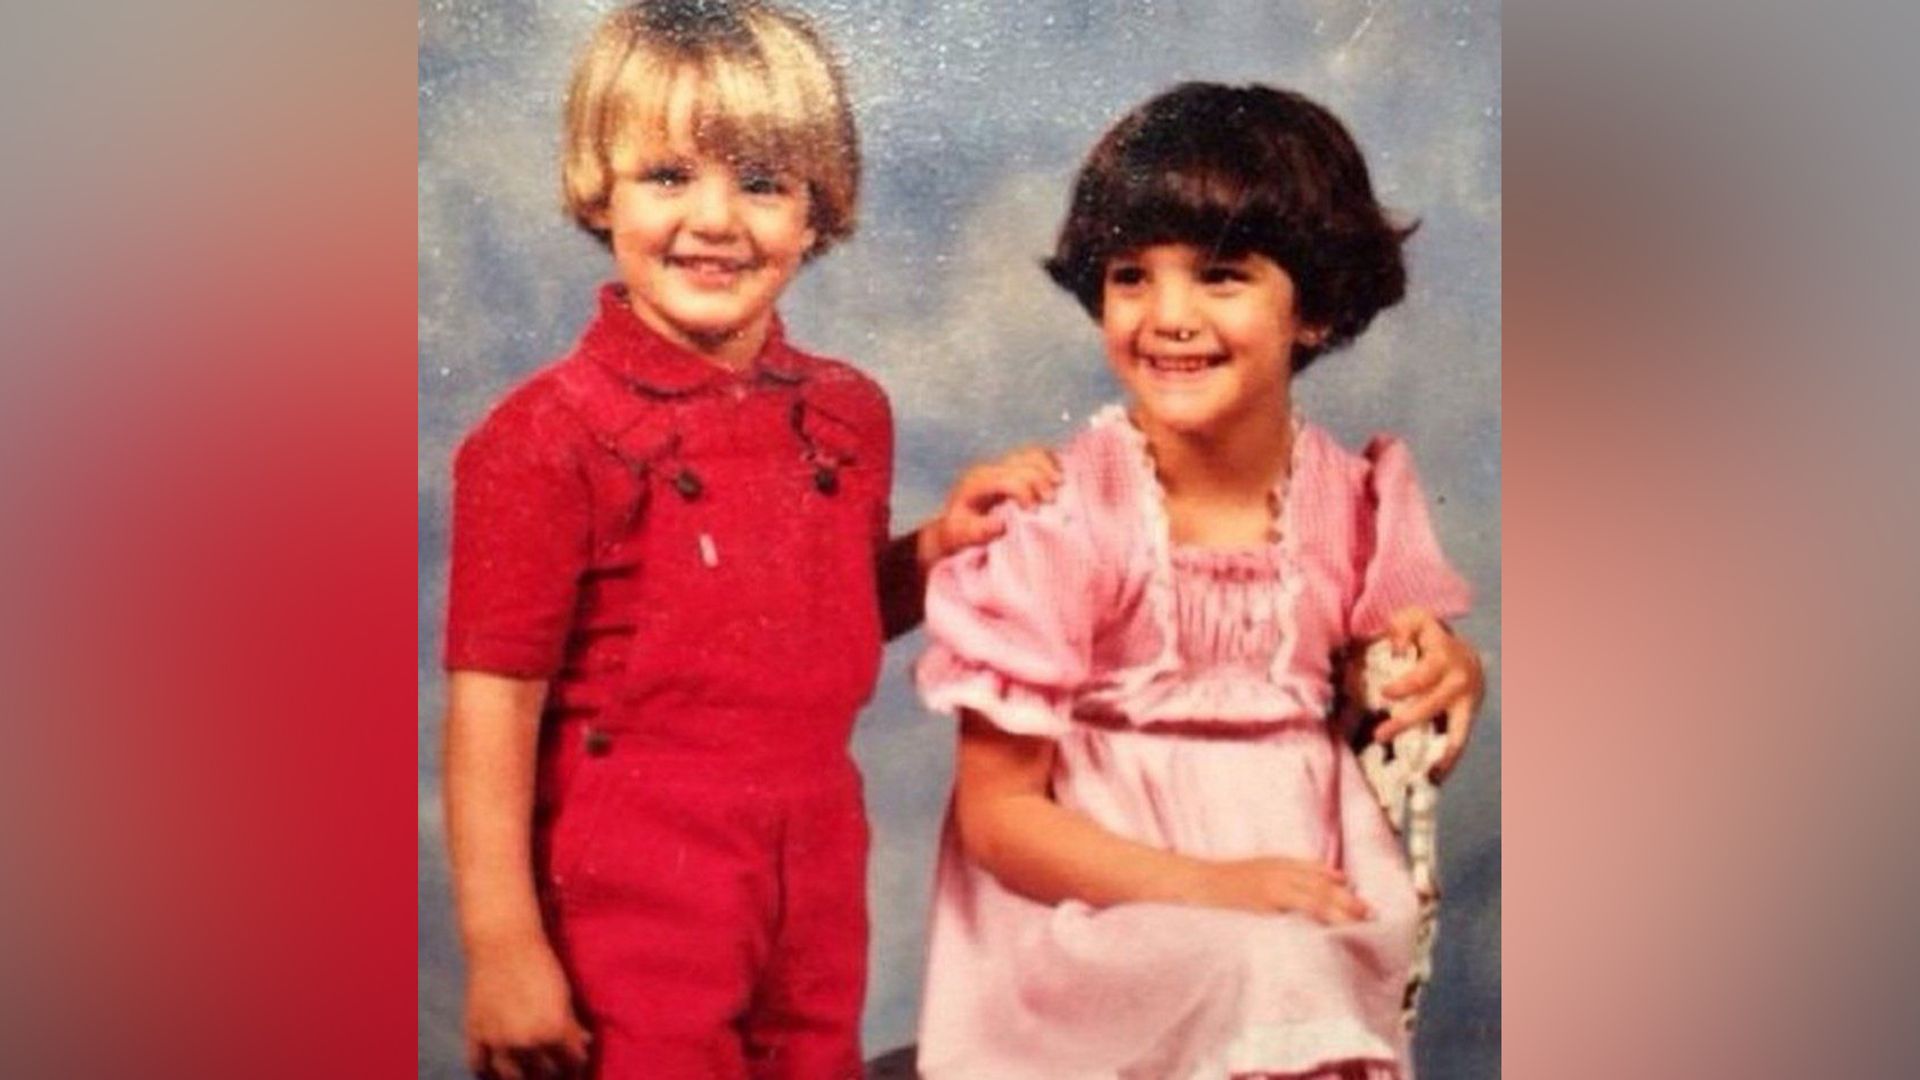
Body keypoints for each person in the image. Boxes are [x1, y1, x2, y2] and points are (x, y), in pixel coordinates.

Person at [441, 4, 1057, 1077]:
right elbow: (494, 707)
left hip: (813, 854)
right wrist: (502, 947)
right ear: (601, 187)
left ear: (821, 210)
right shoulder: (542, 438)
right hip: (632, 877)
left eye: (764, 181)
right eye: (670, 176)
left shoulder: (846, 413)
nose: (716, 220)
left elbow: (826, 616)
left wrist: (936, 551)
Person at [913, 82, 1486, 1079]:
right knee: (1263, 969)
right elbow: (999, 821)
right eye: (1133, 275)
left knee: (1283, 974)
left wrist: (1448, 671)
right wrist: (1218, 889)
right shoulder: (1063, 520)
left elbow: (1386, 683)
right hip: (1094, 937)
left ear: (1316, 308)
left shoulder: (1354, 505)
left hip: (1305, 915)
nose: (1168, 316)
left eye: (1221, 275)